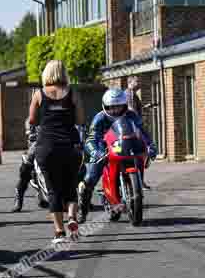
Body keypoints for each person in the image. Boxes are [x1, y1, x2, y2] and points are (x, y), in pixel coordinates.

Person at [28, 60, 86, 243]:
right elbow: (80, 119)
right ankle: (72, 218)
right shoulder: (73, 93)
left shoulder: (39, 94)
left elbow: (32, 120)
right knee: (71, 185)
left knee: (53, 190)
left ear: (46, 74)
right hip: (70, 146)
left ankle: (59, 232)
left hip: (47, 146)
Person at [79, 88, 157, 223]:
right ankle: (83, 210)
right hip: (103, 149)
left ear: (125, 105)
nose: (115, 111)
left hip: (126, 146)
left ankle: (135, 189)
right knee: (91, 178)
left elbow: (142, 132)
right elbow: (90, 140)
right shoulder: (99, 118)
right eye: (111, 107)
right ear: (105, 106)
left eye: (119, 107)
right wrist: (96, 152)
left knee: (140, 160)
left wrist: (151, 145)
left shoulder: (132, 115)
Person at [11, 120, 39, 212]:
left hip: (59, 140)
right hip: (42, 140)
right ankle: (19, 193)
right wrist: (32, 133)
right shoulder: (38, 110)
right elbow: (30, 122)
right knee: (29, 158)